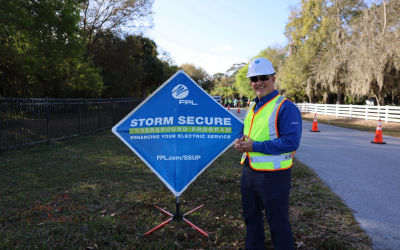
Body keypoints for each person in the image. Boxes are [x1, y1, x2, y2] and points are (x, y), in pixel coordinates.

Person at [234, 57, 302, 250]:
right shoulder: (254, 105)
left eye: (263, 77)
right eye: (254, 79)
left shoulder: (285, 106)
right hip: (249, 172)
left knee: (278, 224)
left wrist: (255, 147)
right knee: (251, 219)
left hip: (274, 177)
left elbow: (291, 142)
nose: (258, 82)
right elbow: (247, 131)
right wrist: (240, 140)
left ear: (273, 78)